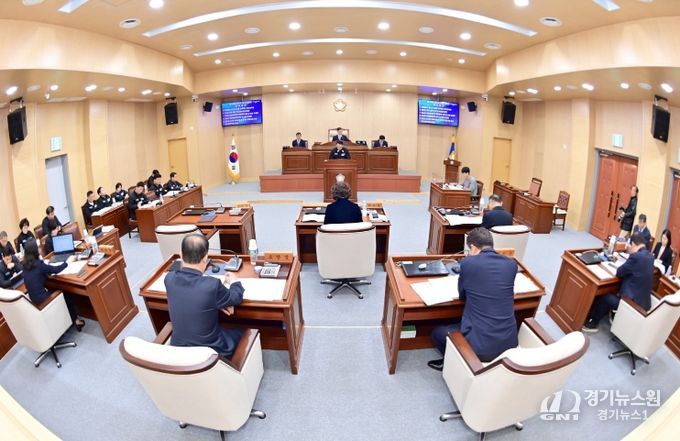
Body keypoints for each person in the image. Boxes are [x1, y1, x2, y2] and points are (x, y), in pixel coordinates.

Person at [428, 227, 518, 371]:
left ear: (473, 247)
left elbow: (462, 296)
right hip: (509, 343)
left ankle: (453, 362)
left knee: (437, 333)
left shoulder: (468, 263)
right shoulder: (511, 264)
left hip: (480, 349)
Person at [165, 234, 244, 358]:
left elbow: (173, 269)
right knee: (242, 332)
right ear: (206, 258)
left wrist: (215, 303)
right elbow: (236, 297)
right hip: (209, 350)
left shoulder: (169, 278)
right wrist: (234, 281)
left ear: (181, 254)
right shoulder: (212, 285)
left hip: (178, 346)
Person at [582, 232, 653, 333]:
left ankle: (592, 323)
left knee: (605, 297)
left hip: (631, 303)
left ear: (633, 244)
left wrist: (630, 257)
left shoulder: (636, 257)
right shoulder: (650, 256)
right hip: (643, 303)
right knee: (614, 290)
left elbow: (619, 272)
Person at [21, 239, 84, 329]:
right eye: (38, 247)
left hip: (35, 300)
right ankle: (76, 321)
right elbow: (56, 269)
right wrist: (68, 262)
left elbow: (35, 276)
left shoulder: (25, 266)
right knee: (66, 293)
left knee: (54, 289)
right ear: (35, 250)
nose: (40, 249)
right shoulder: (39, 264)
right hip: (44, 300)